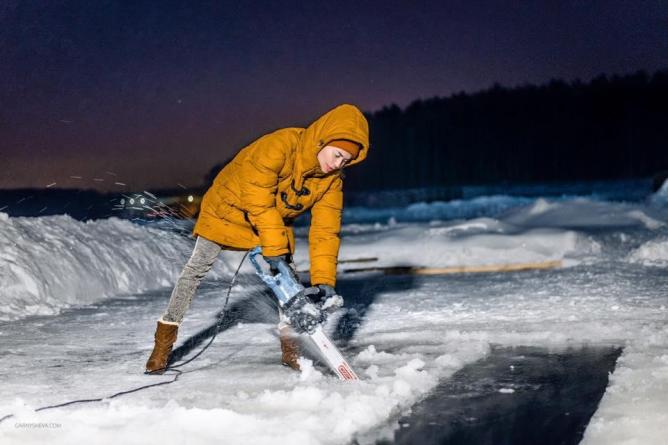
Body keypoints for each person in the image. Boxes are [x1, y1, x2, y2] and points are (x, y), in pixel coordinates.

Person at [145, 104, 370, 374]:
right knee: (195, 271)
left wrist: (325, 282)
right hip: (227, 211)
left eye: (345, 160)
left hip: (272, 221)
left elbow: (325, 232)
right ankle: (162, 346)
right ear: (323, 140)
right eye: (337, 155)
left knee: (289, 283)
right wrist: (274, 248)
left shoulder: (331, 182)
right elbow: (259, 202)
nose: (337, 164)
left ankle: (291, 350)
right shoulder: (279, 145)